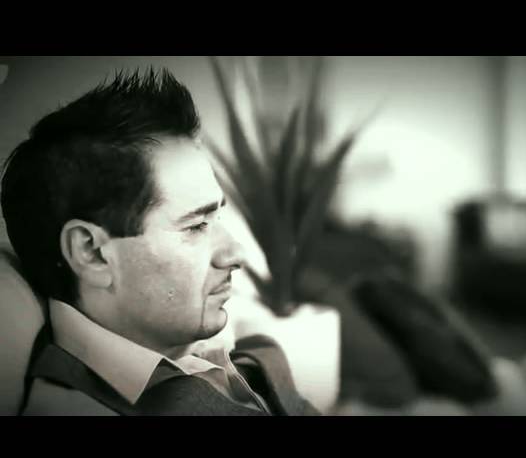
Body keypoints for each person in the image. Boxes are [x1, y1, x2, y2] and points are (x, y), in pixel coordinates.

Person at [0, 68, 319, 416]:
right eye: (196, 226)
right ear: (92, 253)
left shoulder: (208, 345)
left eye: (217, 218)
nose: (235, 254)